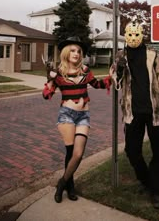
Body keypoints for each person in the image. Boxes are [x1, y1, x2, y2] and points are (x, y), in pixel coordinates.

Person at [111, 21, 159, 209]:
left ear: (142, 35)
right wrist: (120, 68)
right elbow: (115, 80)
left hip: (154, 111)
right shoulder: (120, 56)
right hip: (132, 113)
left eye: (136, 35)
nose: (133, 38)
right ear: (125, 35)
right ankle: (147, 180)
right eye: (129, 35)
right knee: (132, 151)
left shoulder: (152, 54)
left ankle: (156, 191)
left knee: (158, 152)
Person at [42, 36, 112, 203]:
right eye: (73, 50)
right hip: (67, 115)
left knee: (78, 154)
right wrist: (50, 81)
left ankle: (62, 182)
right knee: (70, 152)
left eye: (79, 51)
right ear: (66, 53)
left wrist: (111, 77)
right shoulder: (58, 73)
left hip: (83, 116)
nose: (76, 53)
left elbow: (97, 85)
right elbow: (46, 95)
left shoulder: (86, 71)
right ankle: (70, 187)